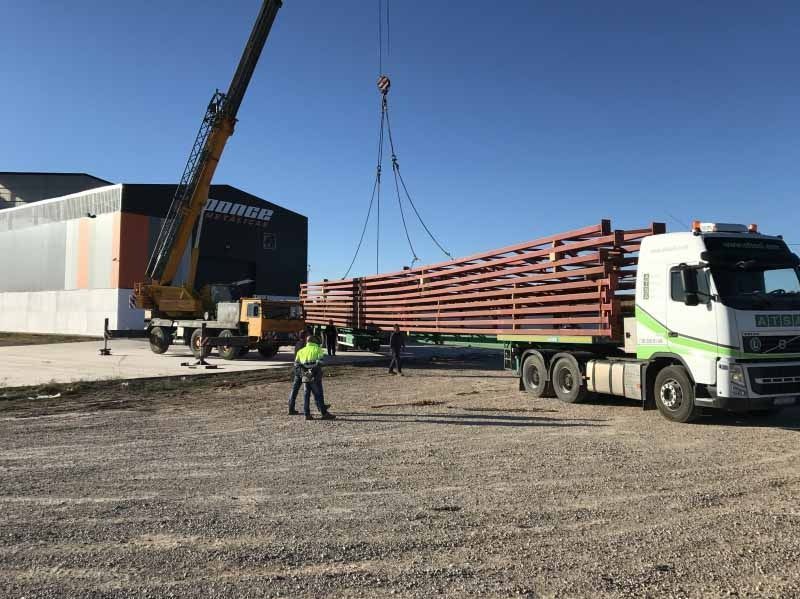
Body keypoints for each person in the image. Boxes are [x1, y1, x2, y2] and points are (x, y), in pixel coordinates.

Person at [295, 335, 335, 420]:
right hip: (315, 376)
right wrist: (312, 372)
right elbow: (320, 362)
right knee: (318, 395)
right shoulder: (318, 349)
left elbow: (296, 365)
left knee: (306, 395)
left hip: (305, 376)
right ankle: (324, 413)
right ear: (315, 341)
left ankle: (307, 414)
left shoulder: (300, 351)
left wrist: (305, 372)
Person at [287, 330, 308, 415]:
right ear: (305, 337)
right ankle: (320, 407)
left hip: (297, 368)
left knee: (294, 389)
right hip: (303, 369)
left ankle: (291, 408)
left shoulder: (297, 344)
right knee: (309, 389)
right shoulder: (304, 345)